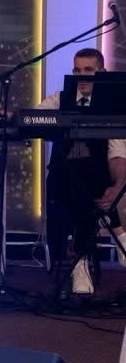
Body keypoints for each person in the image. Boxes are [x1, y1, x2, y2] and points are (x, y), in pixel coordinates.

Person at [37, 47, 126, 295]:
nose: (81, 76)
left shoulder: (112, 108)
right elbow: (32, 118)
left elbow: (117, 153)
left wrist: (118, 187)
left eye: (89, 70)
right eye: (77, 71)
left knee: (87, 175)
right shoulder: (59, 99)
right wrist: (11, 117)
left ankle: (81, 260)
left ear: (102, 73)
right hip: (62, 181)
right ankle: (117, 232)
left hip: (96, 181)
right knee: (73, 174)